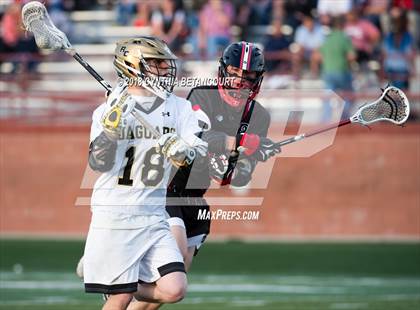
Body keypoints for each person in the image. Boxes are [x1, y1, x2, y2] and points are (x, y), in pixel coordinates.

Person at [128, 42, 281, 310]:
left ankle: (121, 282)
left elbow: (234, 178)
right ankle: (117, 279)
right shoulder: (201, 95)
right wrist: (241, 142)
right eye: (234, 72)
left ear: (258, 79)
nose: (239, 81)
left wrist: (246, 159)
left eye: (248, 76)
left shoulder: (260, 116)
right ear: (223, 71)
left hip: (195, 199)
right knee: (169, 272)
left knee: (169, 289)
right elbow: (195, 137)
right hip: (168, 190)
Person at [82, 36, 207, 310]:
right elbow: (97, 163)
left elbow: (197, 151)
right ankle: (110, 278)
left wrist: (182, 151)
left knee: (174, 289)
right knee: (121, 297)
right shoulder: (108, 110)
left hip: (154, 215)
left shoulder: (179, 107)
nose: (165, 70)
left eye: (165, 64)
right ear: (132, 66)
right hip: (116, 213)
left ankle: (105, 273)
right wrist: (111, 129)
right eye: (156, 63)